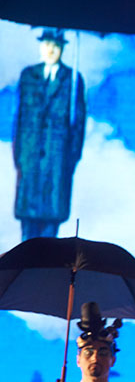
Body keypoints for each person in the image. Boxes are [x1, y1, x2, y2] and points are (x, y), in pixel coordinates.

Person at [13, 28, 86, 240]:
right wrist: (20, 157)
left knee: (49, 228)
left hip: (57, 164)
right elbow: (20, 119)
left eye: (55, 46)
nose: (50, 50)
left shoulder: (72, 80)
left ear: (62, 48)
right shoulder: (28, 76)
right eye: (46, 45)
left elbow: (78, 125)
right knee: (28, 226)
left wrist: (69, 159)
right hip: (30, 162)